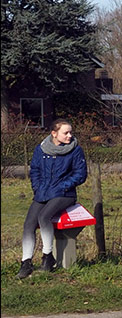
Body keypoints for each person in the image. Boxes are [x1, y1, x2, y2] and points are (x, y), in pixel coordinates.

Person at [18, 120, 88, 279]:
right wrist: (36, 188)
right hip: (42, 192)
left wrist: (63, 186)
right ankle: (26, 262)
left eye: (71, 132)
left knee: (44, 216)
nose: (70, 135)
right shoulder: (40, 149)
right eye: (66, 133)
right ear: (54, 133)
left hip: (65, 194)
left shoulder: (75, 150)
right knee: (29, 224)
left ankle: (47, 257)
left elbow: (80, 174)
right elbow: (34, 170)